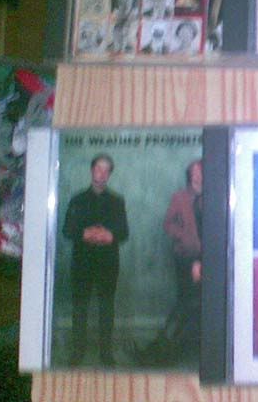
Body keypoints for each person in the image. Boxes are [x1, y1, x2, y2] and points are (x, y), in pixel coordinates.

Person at [133, 160, 203, 366]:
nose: (197, 176)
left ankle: (166, 351)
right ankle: (161, 351)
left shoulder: (214, 196)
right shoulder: (179, 197)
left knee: (192, 305)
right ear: (189, 175)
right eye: (194, 172)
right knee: (186, 303)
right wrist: (183, 236)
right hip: (185, 259)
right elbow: (168, 224)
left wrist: (201, 261)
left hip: (204, 261)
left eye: (200, 172)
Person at [62, 154, 129, 366]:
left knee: (106, 308)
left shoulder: (117, 201)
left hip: (108, 263)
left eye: (106, 170)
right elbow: (67, 230)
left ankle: (106, 353)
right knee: (80, 307)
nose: (101, 173)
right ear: (92, 170)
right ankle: (77, 351)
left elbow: (124, 233)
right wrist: (85, 233)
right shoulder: (77, 200)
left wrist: (110, 236)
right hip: (82, 262)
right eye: (98, 168)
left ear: (110, 174)